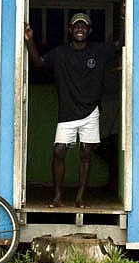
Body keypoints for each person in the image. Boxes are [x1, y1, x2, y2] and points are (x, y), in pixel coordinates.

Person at [24, 12, 121, 208]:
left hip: (91, 111)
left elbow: (119, 44)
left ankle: (79, 197)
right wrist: (29, 41)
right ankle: (58, 197)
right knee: (59, 151)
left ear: (89, 31)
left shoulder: (98, 51)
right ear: (70, 30)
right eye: (76, 26)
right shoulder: (60, 53)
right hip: (68, 113)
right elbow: (38, 62)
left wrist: (123, 18)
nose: (80, 29)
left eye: (84, 26)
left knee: (86, 153)